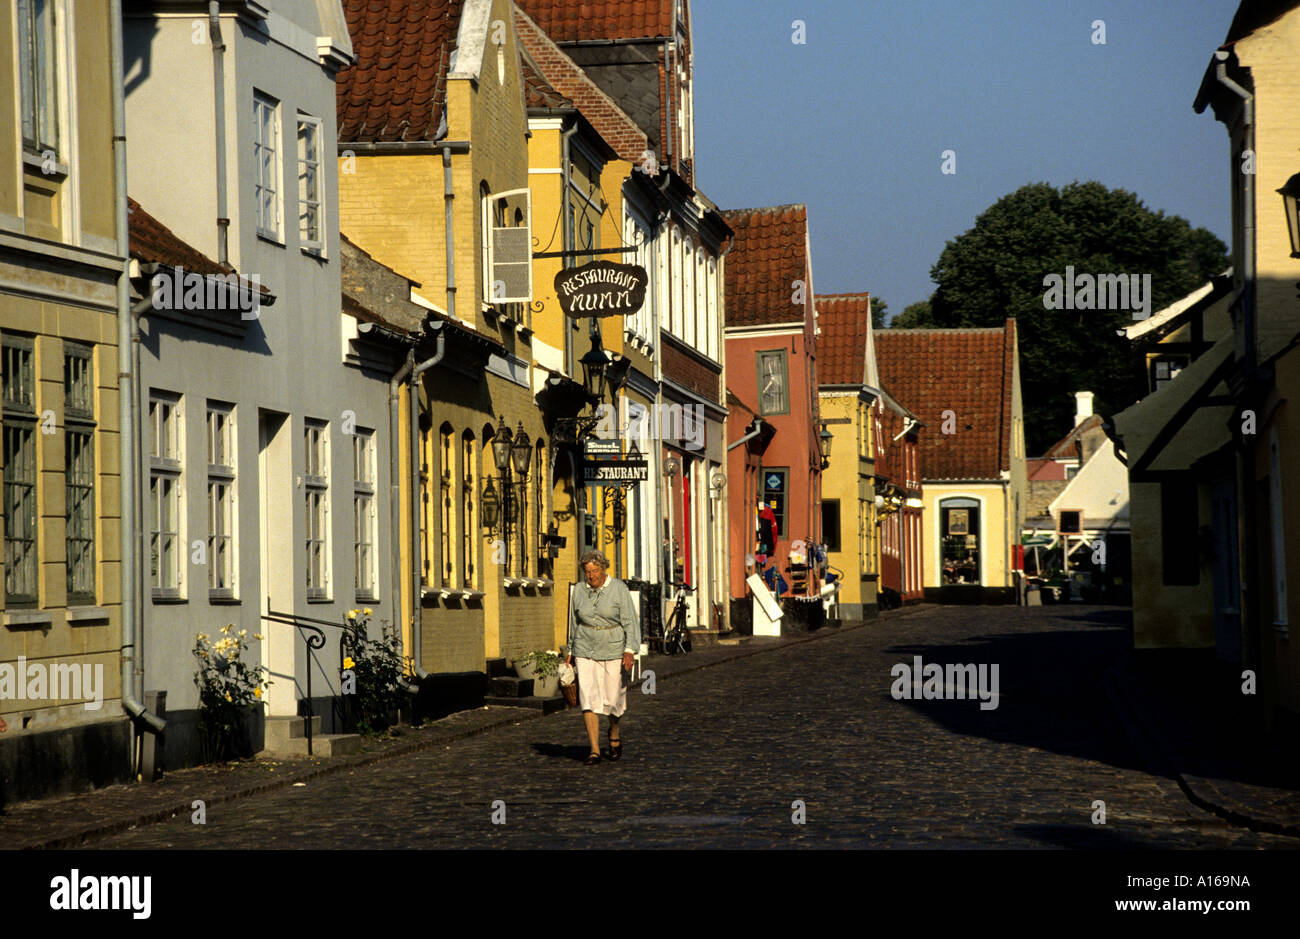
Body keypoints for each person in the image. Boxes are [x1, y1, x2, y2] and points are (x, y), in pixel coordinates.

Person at [566, 550, 640, 765]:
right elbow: (573, 622)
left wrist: (629, 649)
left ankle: (614, 731)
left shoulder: (618, 589)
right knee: (587, 697)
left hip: (613, 647)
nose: (591, 576)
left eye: (595, 571)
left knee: (614, 698)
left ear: (603, 568)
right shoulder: (579, 590)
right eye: (587, 572)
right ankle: (594, 749)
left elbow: (629, 621)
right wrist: (570, 651)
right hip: (585, 647)